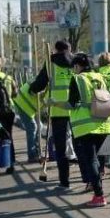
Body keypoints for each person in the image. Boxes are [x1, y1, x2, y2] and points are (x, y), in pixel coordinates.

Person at [67, 53, 110, 207]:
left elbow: (72, 104)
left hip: (86, 126)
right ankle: (95, 185)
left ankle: (99, 195)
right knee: (97, 159)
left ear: (77, 66)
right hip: (104, 123)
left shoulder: (77, 79)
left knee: (91, 160)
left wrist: (53, 103)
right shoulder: (100, 77)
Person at [29, 40, 77, 188]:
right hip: (77, 110)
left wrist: (33, 89)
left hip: (57, 110)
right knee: (81, 146)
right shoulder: (77, 62)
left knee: (61, 148)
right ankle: (88, 180)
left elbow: (41, 82)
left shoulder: (51, 63)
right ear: (69, 49)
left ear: (56, 50)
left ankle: (64, 181)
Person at [12, 80, 42, 163]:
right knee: (32, 127)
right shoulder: (46, 83)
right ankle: (32, 156)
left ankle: (37, 152)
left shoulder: (45, 79)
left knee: (40, 126)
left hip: (25, 103)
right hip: (23, 104)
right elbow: (35, 94)